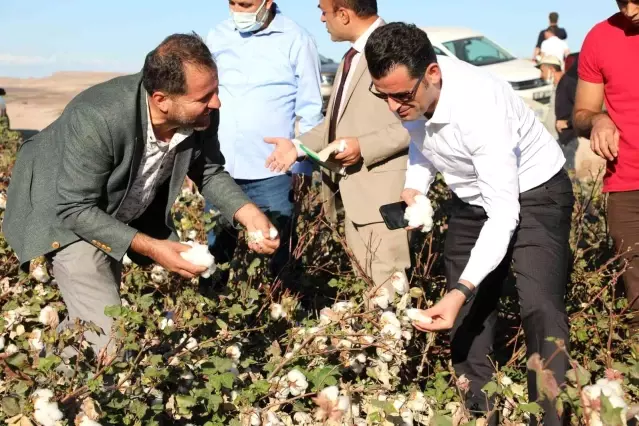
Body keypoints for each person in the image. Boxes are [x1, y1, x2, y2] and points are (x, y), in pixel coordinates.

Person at [2, 33, 280, 358]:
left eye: (216, 91)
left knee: (99, 318)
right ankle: (82, 394)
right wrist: (153, 247)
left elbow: (207, 170)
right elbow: (75, 208)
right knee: (110, 338)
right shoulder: (97, 116)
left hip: (112, 211)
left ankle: (50, 369)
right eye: (205, 96)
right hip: (63, 217)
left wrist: (248, 213)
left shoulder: (201, 112)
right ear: (162, 99)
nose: (216, 103)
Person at [365, 23, 573, 425]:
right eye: (383, 95)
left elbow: (504, 214)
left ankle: (548, 419)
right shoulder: (410, 95)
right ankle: (480, 414)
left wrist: (462, 288)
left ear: (433, 74)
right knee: (465, 315)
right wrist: (415, 187)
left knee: (540, 306)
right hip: (473, 198)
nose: (393, 107)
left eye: (401, 96)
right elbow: (420, 140)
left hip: (536, 194)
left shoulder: (481, 107)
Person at [264, 0, 411, 300]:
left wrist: (364, 147)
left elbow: (415, 121)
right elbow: (335, 126)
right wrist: (296, 147)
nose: (320, 19)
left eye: (323, 11)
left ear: (343, 14)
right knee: (372, 299)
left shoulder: (393, 49)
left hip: (381, 200)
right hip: (354, 200)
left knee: (389, 299)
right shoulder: (352, 57)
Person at [203, 0, 324, 285]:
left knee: (278, 260)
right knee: (216, 257)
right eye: (233, 3)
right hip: (221, 172)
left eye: (245, 4)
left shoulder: (297, 39)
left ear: (267, 2)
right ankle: (212, 320)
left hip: (272, 173)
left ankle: (276, 323)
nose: (238, 11)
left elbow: (310, 109)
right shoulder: (217, 36)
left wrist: (303, 168)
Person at [573, 1, 639, 336]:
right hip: (626, 186)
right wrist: (598, 120)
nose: (629, 10)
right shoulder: (601, 37)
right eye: (620, 0)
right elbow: (582, 111)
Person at [538, 55, 577, 169]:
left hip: (566, 139)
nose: (541, 75)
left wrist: (568, 123)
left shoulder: (568, 83)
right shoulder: (557, 86)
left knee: (568, 173)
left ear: (552, 69)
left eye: (542, 71)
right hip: (555, 140)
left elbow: (582, 105)